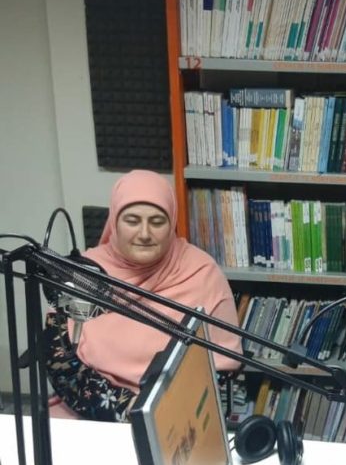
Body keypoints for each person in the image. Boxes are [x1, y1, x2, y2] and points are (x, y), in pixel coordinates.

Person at [45, 169, 242, 421]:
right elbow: (60, 362)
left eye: (157, 222)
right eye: (132, 221)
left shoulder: (202, 273)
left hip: (175, 416)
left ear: (172, 223)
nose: (145, 234)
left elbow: (221, 367)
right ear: (114, 222)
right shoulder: (84, 273)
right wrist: (128, 410)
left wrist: (160, 412)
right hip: (90, 410)